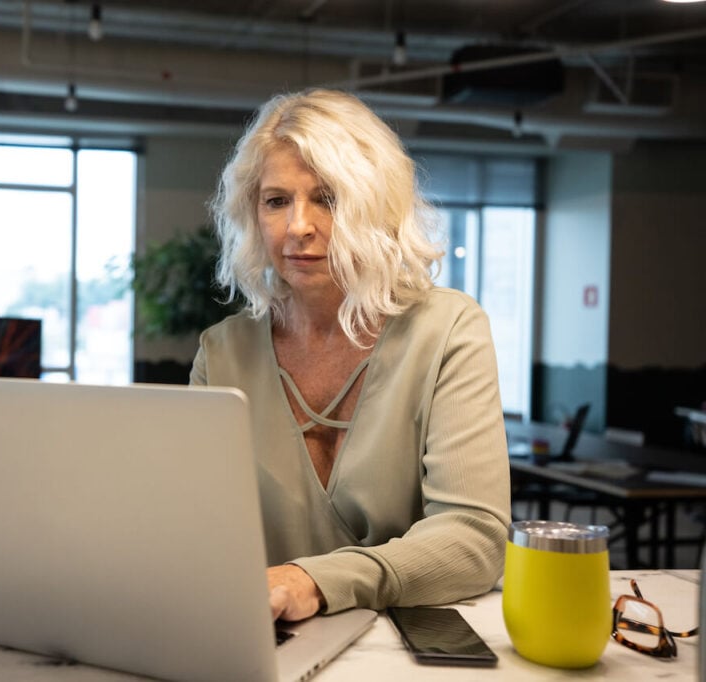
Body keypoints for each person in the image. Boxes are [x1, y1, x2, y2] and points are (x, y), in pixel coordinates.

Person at [190, 88, 511, 622]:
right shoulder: (222, 352)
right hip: (267, 637)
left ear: (376, 207)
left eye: (328, 198)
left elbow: (473, 540)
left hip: (405, 642)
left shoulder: (449, 330)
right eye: (276, 201)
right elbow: (195, 528)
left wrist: (314, 581)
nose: (298, 226)